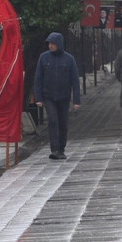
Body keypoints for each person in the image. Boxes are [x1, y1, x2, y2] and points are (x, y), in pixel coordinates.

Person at [35, 32, 81, 160]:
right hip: (48, 96)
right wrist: (38, 98)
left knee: (63, 123)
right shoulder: (43, 58)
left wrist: (76, 99)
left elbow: (75, 80)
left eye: (53, 43)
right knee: (53, 120)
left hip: (64, 96)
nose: (50, 46)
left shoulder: (69, 59)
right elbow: (38, 78)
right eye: (49, 43)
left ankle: (61, 148)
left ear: (59, 44)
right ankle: (54, 149)